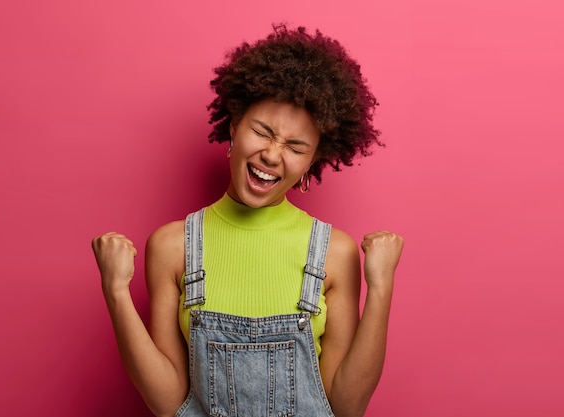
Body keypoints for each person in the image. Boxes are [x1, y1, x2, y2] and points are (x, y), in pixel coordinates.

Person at [92, 24, 404, 417]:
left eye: (295, 147)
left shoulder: (334, 252)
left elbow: (345, 407)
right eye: (262, 132)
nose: (273, 155)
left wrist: (380, 287)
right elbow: (169, 403)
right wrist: (116, 291)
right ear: (235, 126)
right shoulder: (174, 246)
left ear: (312, 161)